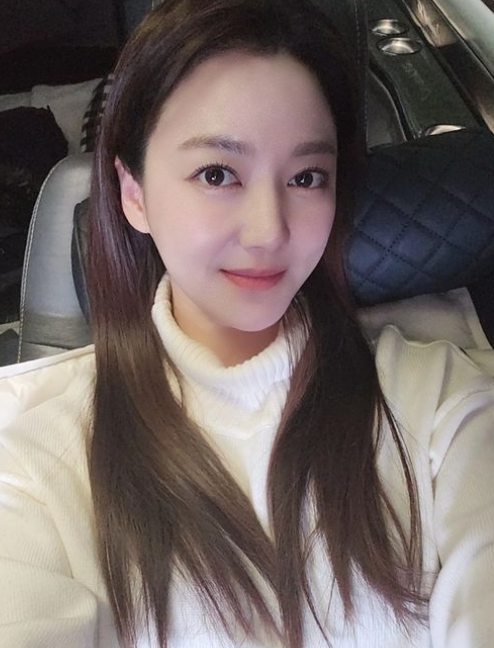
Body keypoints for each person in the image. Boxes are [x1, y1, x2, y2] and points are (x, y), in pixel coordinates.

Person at [0, 0, 493, 646]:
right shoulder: (35, 465)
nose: (269, 231)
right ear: (133, 193)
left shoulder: (440, 404)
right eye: (217, 174)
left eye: (307, 177)